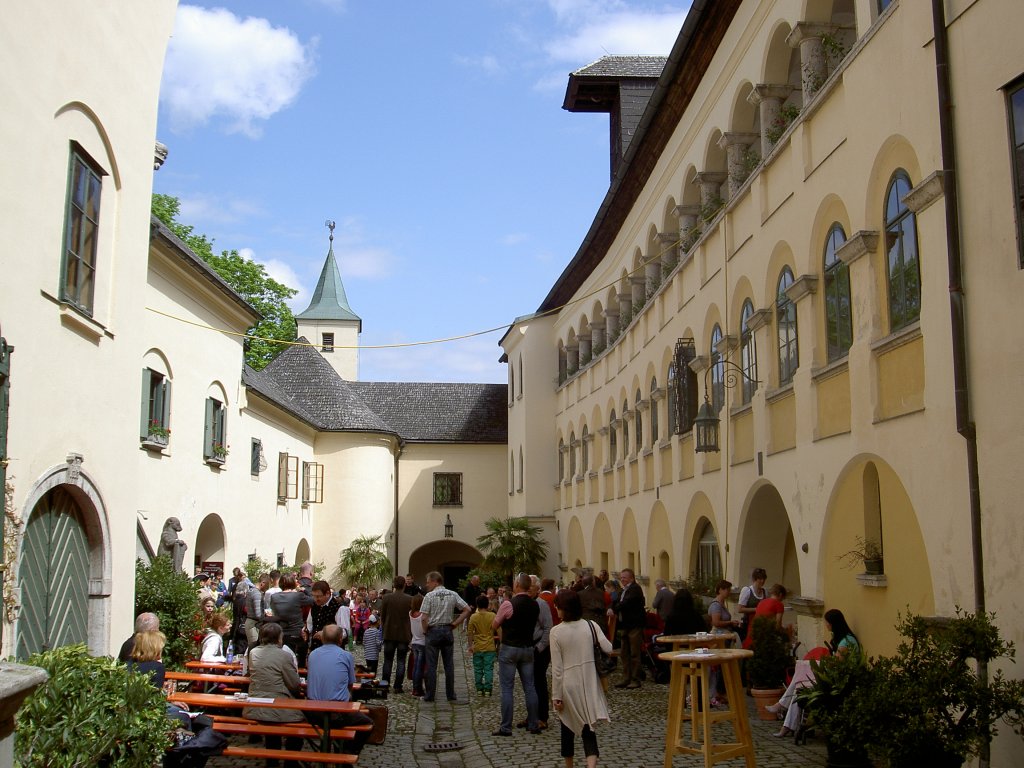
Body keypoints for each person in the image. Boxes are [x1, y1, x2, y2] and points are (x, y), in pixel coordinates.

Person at [769, 609, 859, 738]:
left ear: (833, 623)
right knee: (799, 686)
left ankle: (784, 714)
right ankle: (786, 725)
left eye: (827, 622)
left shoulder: (845, 642)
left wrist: (821, 664)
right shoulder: (844, 639)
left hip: (838, 681)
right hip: (834, 677)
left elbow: (837, 665)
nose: (826, 625)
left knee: (802, 670)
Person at [551, 589, 612, 768]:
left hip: (568, 684)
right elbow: (608, 648)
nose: (556, 609)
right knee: (588, 728)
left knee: (567, 727)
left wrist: (556, 696)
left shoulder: (556, 632)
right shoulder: (591, 625)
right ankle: (591, 765)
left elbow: (557, 669)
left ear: (564, 609)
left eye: (558, 607)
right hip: (589, 682)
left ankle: (569, 765)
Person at [305, 624, 375, 755]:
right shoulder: (345, 656)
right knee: (368, 723)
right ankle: (348, 751)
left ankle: (338, 749)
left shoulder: (313, 655)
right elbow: (350, 683)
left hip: (313, 712)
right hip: (336, 713)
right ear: (340, 640)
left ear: (322, 638)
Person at [243, 623, 305, 755]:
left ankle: (272, 758)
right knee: (297, 720)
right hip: (276, 705)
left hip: (255, 704)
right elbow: (294, 684)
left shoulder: (253, 653)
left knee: (272, 717)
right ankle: (291, 760)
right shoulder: (284, 655)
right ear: (279, 638)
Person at [491, 573, 540, 736]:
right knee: (530, 687)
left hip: (510, 647)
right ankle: (533, 723)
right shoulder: (535, 605)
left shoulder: (508, 604)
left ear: (518, 584)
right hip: (527, 647)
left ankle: (506, 727)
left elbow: (495, 624)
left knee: (507, 688)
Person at [420, 570, 471, 703]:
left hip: (433, 630)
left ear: (435, 581)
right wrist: (455, 624)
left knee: (431, 665)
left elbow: (424, 618)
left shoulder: (429, 596)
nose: (427, 585)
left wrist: (425, 631)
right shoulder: (452, 594)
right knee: (449, 664)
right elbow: (467, 610)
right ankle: (450, 694)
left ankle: (430, 695)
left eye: (428, 582)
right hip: (447, 630)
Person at [268, 572, 315, 667]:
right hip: (297, 632)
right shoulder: (298, 596)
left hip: (280, 634)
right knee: (300, 661)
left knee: (283, 662)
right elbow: (313, 600)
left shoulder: (274, 597)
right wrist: (304, 590)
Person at [379, 575, 413, 693]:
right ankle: (398, 686)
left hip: (389, 632)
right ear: (404, 585)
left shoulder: (387, 598)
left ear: (394, 584)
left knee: (388, 660)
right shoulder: (409, 599)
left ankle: (385, 684)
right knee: (401, 660)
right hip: (403, 633)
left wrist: (383, 628)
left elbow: (382, 616)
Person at [613, 568, 645, 689]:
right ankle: (626, 677)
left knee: (634, 653)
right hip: (625, 624)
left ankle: (635, 679)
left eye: (624, 578)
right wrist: (612, 607)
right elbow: (616, 601)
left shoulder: (635, 589)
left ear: (631, 578)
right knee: (624, 652)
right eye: (621, 578)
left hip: (634, 624)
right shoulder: (624, 590)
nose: (622, 580)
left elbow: (626, 603)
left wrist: (615, 608)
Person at [529, 574, 554, 730]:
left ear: (538, 588)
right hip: (528, 647)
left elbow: (548, 628)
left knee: (539, 682)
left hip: (540, 648)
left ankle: (543, 717)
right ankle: (531, 715)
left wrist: (540, 647)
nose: (527, 588)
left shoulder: (541, 604)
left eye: (530, 586)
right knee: (529, 684)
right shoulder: (526, 603)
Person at [467, 594, 496, 696]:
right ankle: (488, 690)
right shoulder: (492, 615)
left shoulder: (473, 617)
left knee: (478, 669)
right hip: (490, 646)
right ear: (488, 605)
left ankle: (479, 689)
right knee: (488, 669)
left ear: (477, 605)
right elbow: (499, 630)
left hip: (478, 646)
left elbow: (470, 632)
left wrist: (470, 645)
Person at [743, 583, 787, 650]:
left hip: (752, 636)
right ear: (780, 595)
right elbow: (777, 626)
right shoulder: (779, 604)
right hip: (763, 639)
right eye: (783, 598)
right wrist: (786, 632)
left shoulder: (762, 602)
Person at [307, 579, 341, 655]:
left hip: (332, 651)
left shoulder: (339, 608)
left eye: (318, 596)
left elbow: (344, 631)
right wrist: (306, 631)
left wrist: (326, 634)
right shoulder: (314, 607)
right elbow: (310, 624)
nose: (316, 599)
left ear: (328, 594)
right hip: (315, 649)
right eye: (314, 596)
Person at [736, 568, 767, 643]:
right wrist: (757, 609)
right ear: (755, 579)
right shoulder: (747, 590)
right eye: (760, 579)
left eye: (763, 579)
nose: (762, 581)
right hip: (748, 623)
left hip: (761, 623)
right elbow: (740, 609)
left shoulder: (764, 591)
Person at [245, 573, 270, 646]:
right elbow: (258, 614)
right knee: (254, 647)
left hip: (250, 622)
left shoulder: (250, 591)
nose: (267, 588)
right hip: (254, 625)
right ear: (263, 583)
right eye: (267, 585)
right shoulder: (257, 594)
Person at [409, 594, 426, 696]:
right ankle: (417, 688)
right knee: (420, 667)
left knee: (416, 666)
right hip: (422, 642)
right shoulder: (422, 615)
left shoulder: (410, 613)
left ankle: (415, 687)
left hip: (414, 641)